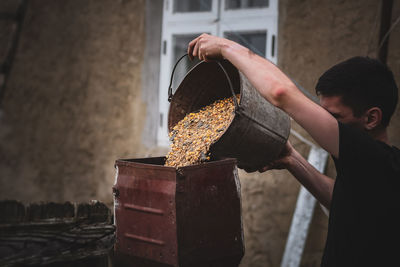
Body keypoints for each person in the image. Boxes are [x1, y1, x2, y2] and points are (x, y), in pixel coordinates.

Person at [187, 33, 400, 266]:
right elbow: (347, 201)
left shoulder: (372, 157)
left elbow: (281, 94)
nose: (326, 124)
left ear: (371, 118)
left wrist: (225, 46)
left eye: (335, 118)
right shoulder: (381, 168)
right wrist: (292, 159)